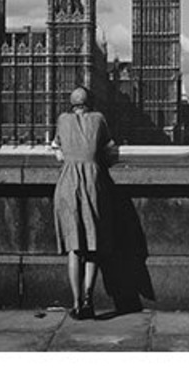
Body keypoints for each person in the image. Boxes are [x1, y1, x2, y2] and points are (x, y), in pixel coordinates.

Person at [51, 86, 116, 320]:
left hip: (67, 184)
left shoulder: (62, 120)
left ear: (72, 103)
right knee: (93, 244)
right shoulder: (99, 119)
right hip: (93, 183)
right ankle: (89, 297)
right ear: (91, 102)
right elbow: (110, 151)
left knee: (74, 247)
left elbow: (57, 151)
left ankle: (77, 303)